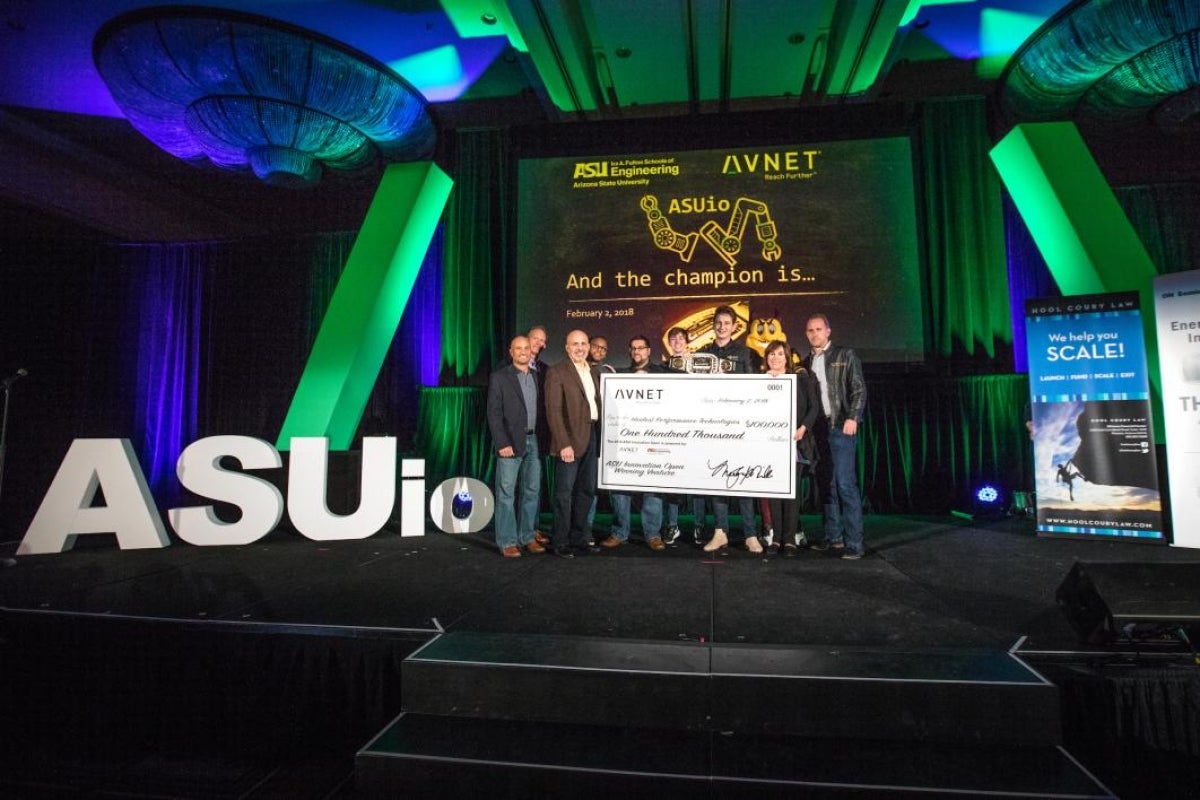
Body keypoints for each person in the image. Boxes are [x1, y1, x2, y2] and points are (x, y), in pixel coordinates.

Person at [696, 305, 762, 553]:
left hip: (739, 426)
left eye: (727, 323)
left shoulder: (745, 353)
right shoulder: (703, 353)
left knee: (742, 478)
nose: (722, 327)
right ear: (713, 325)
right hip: (712, 426)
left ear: (734, 326)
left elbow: (755, 389)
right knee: (717, 479)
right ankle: (720, 532)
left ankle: (750, 534)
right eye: (718, 322)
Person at [803, 313, 867, 560]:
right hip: (818, 430)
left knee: (845, 484)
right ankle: (834, 538)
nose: (814, 334)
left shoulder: (845, 355)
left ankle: (854, 543)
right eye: (810, 330)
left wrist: (854, 417)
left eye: (819, 329)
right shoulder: (807, 361)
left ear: (828, 331)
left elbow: (859, 388)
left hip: (841, 426)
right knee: (826, 485)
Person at [602, 335, 669, 551]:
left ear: (649, 351)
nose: (637, 351)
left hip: (654, 438)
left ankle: (653, 534)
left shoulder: (663, 373)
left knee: (653, 487)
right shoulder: (619, 375)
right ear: (630, 352)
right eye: (633, 348)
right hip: (626, 440)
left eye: (641, 348)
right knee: (621, 488)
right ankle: (620, 532)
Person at [544, 330, 603, 557]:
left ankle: (579, 538)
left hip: (592, 434)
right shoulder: (557, 371)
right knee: (564, 494)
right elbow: (554, 411)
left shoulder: (593, 372)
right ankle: (560, 542)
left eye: (583, 343)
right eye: (575, 344)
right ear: (567, 347)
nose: (580, 347)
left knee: (586, 491)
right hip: (569, 439)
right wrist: (563, 444)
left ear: (588, 346)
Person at [486, 335, 546, 557]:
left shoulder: (538, 377)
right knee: (506, 494)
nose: (523, 351)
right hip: (510, 442)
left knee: (532, 492)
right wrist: (502, 442)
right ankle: (507, 541)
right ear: (511, 352)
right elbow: (493, 413)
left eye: (526, 348)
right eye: (518, 348)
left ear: (532, 351)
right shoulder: (500, 377)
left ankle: (527, 537)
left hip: (535, 441)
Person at [761, 340, 819, 558]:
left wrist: (803, 428)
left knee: (791, 492)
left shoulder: (801, 380)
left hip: (795, 443)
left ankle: (789, 539)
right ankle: (776, 539)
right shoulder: (759, 382)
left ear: (787, 357)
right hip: (769, 445)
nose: (775, 358)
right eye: (771, 354)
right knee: (774, 492)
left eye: (779, 354)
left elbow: (814, 408)